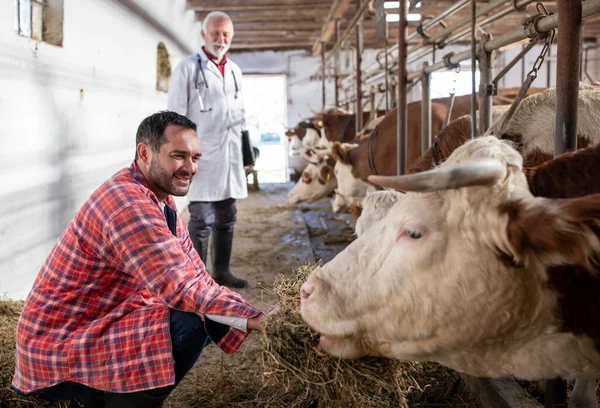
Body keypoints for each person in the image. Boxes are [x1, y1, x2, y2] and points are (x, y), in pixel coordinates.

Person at [12, 111, 266, 408]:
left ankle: (97, 399)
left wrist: (250, 312)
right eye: (179, 156)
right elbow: (180, 287)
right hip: (59, 343)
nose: (190, 168)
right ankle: (110, 402)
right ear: (145, 153)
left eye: (195, 158)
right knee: (192, 320)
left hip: (98, 321)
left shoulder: (160, 199)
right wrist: (259, 320)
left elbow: (196, 276)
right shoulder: (128, 203)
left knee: (207, 309)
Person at [168, 11, 248, 288]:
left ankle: (222, 271)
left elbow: (239, 115)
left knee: (228, 216)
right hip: (201, 157)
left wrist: (246, 152)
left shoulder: (235, 71)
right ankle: (199, 279)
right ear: (203, 35)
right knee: (202, 219)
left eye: (226, 34)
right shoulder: (188, 68)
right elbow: (174, 118)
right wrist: (179, 156)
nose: (220, 39)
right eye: (215, 33)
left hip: (230, 156)